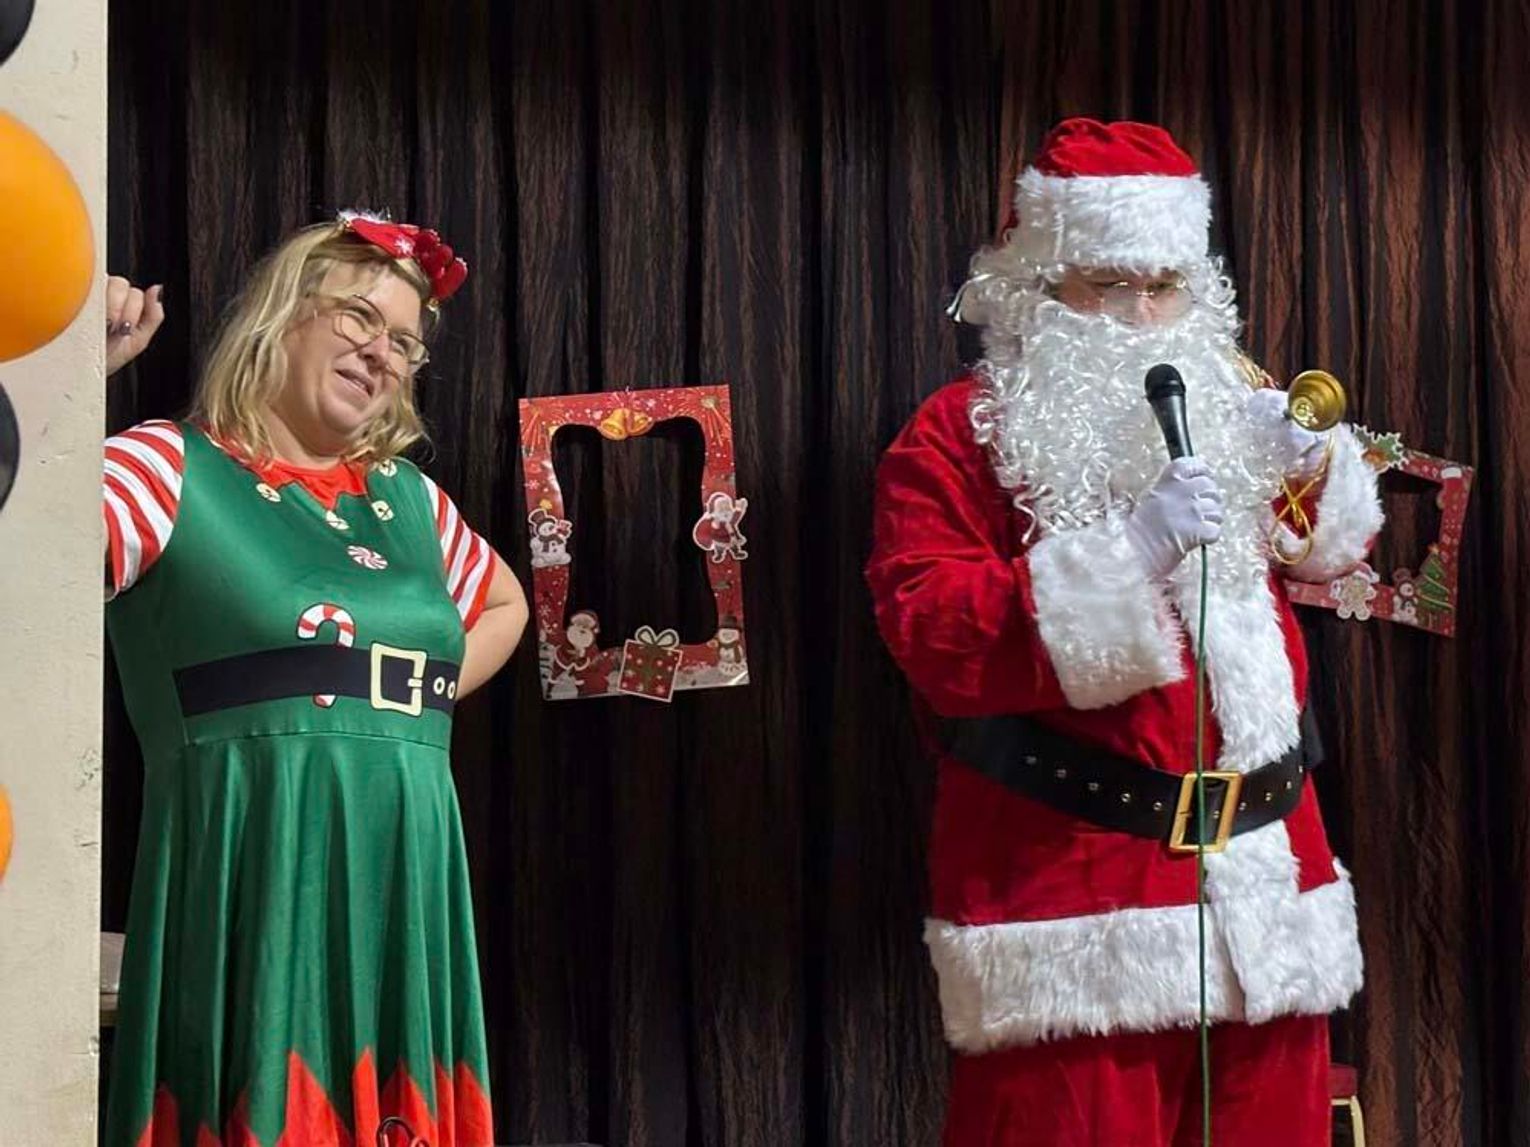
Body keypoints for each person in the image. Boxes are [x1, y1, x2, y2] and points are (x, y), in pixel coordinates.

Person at [865, 118, 1384, 1145]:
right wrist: (1130, 552)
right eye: (1108, 285)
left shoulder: (1235, 402)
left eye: (1164, 286)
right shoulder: (957, 436)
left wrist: (1307, 467)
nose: (1142, 316)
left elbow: (1327, 556)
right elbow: (930, 632)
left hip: (1271, 894)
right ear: (1038, 287)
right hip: (1074, 907)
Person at [100, 212, 527, 1146]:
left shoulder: (409, 499)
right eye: (360, 318)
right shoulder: (163, 465)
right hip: (250, 870)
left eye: (405, 343)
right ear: (280, 313)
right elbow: (23, 545)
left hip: (401, 870)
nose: (383, 354)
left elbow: (505, 604)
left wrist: (396, 704)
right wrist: (67, 380)